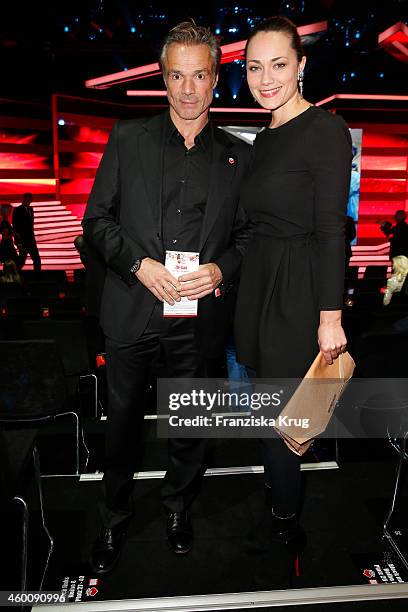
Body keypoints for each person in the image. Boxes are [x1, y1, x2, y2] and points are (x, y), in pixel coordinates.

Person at [82, 21, 251, 574]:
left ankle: (178, 506)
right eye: (175, 75)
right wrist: (138, 263)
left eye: (198, 75)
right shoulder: (127, 140)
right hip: (132, 310)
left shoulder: (237, 155)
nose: (186, 89)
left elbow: (248, 239)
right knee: (123, 426)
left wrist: (220, 269)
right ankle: (113, 515)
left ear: (214, 78)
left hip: (197, 320)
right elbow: (95, 222)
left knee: (190, 427)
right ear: (162, 77)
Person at [234, 16, 352, 587]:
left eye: (278, 64)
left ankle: (285, 513)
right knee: (265, 403)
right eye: (255, 67)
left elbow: (333, 228)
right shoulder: (266, 136)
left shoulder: (326, 129)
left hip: (299, 290)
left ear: (302, 65)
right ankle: (277, 485)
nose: (266, 77)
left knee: (289, 416)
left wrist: (330, 317)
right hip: (258, 285)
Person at [12, 193, 41, 272]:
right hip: (22, 241)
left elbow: (30, 226)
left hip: (31, 240)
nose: (27, 200)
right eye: (26, 198)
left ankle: (37, 279)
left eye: (29, 199)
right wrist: (18, 241)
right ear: (23, 199)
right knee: (21, 261)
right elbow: (15, 226)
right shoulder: (17, 210)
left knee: (37, 260)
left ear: (31, 200)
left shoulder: (30, 209)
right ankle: (14, 276)